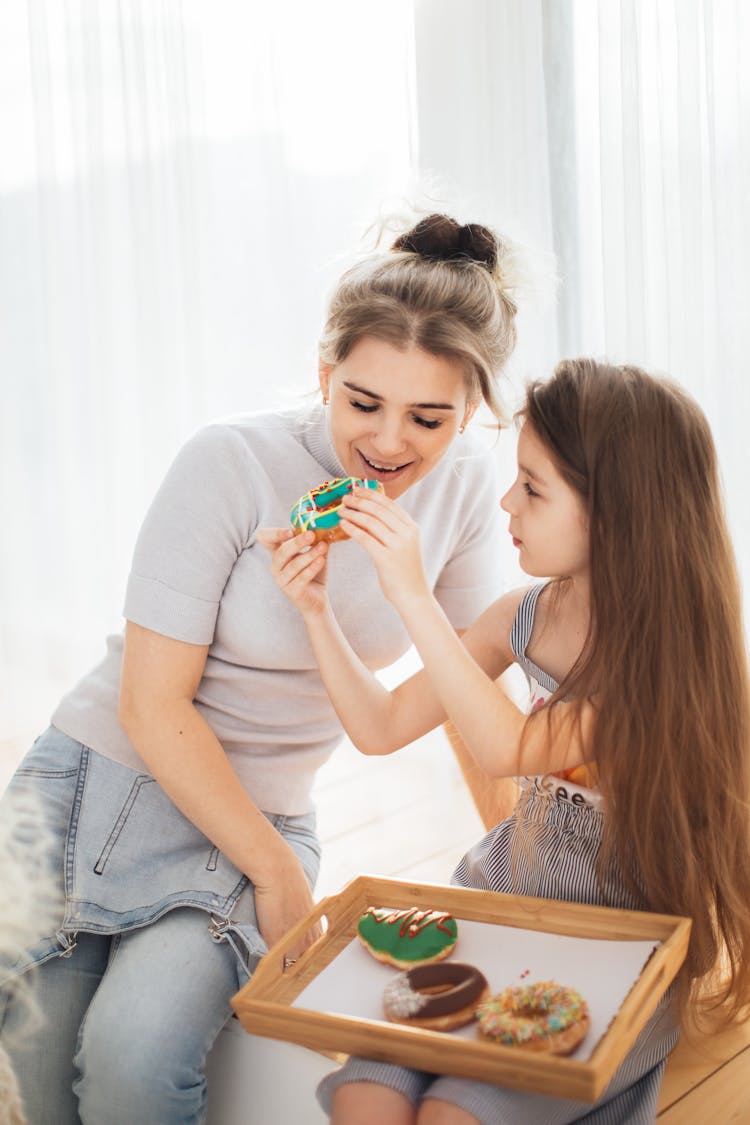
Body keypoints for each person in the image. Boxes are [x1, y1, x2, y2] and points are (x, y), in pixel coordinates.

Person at [0, 212, 523, 1123]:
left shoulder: (472, 492)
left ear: (471, 411)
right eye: (362, 402)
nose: (390, 442)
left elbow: (476, 702)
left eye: (428, 417)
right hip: (94, 785)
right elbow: (148, 701)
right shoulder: (230, 460)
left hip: (256, 818)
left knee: (131, 1063)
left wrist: (518, 886)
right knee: (39, 1081)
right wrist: (280, 878)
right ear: (325, 375)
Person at [264, 357, 750, 1124]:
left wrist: (411, 592)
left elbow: (508, 747)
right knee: (366, 1095)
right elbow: (381, 725)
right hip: (503, 907)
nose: (504, 500)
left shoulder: (661, 658)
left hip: (621, 944)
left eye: (532, 486)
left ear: (615, 512)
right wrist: (316, 611)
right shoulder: (522, 615)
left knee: (456, 1114)